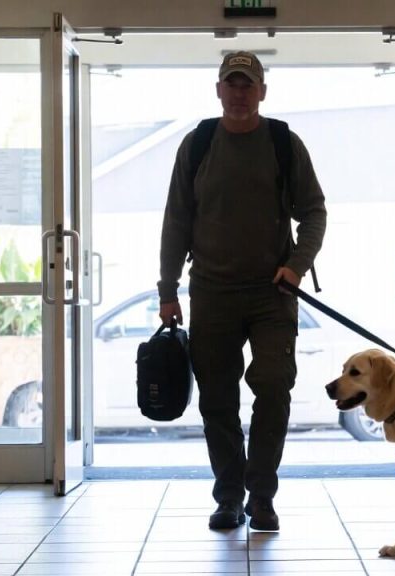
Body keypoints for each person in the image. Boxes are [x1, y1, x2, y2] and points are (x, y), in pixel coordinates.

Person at [157, 51, 327, 531]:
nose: (239, 93)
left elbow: (314, 212)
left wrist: (296, 267)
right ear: (218, 90)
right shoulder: (198, 144)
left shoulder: (283, 142)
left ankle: (262, 496)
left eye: (247, 84)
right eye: (231, 84)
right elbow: (176, 220)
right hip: (211, 293)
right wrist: (167, 290)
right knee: (217, 399)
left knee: (273, 387)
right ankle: (229, 497)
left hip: (273, 293)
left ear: (262, 92)